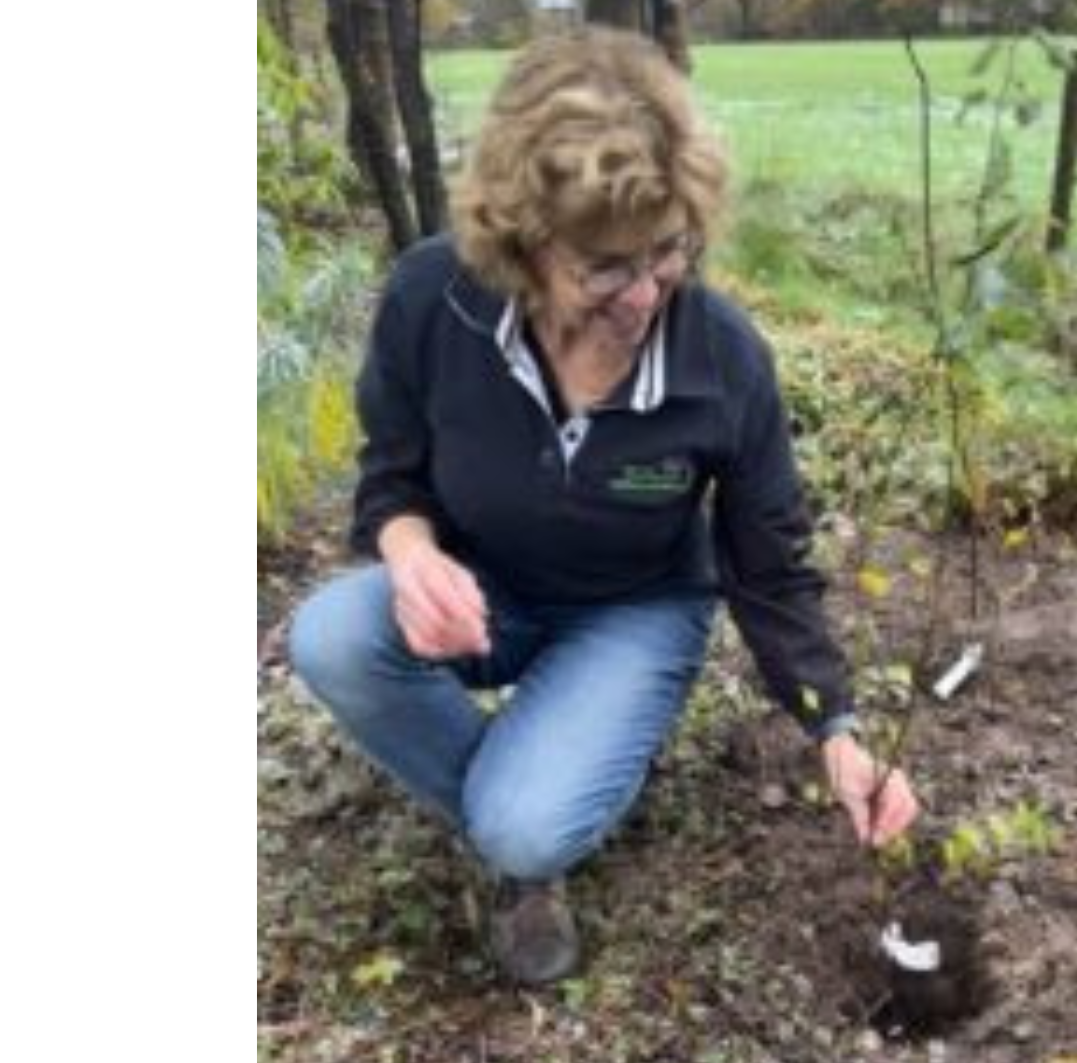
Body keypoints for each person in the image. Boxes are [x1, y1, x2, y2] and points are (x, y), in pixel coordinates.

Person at [289, 26, 920, 987]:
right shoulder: (434, 301)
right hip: (481, 588)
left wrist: (835, 727)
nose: (642, 296)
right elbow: (393, 475)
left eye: (665, 252)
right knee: (330, 634)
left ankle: (526, 829)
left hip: (632, 608)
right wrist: (411, 555)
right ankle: (531, 801)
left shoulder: (722, 362)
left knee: (525, 822)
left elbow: (768, 565)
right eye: (602, 268)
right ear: (523, 241)